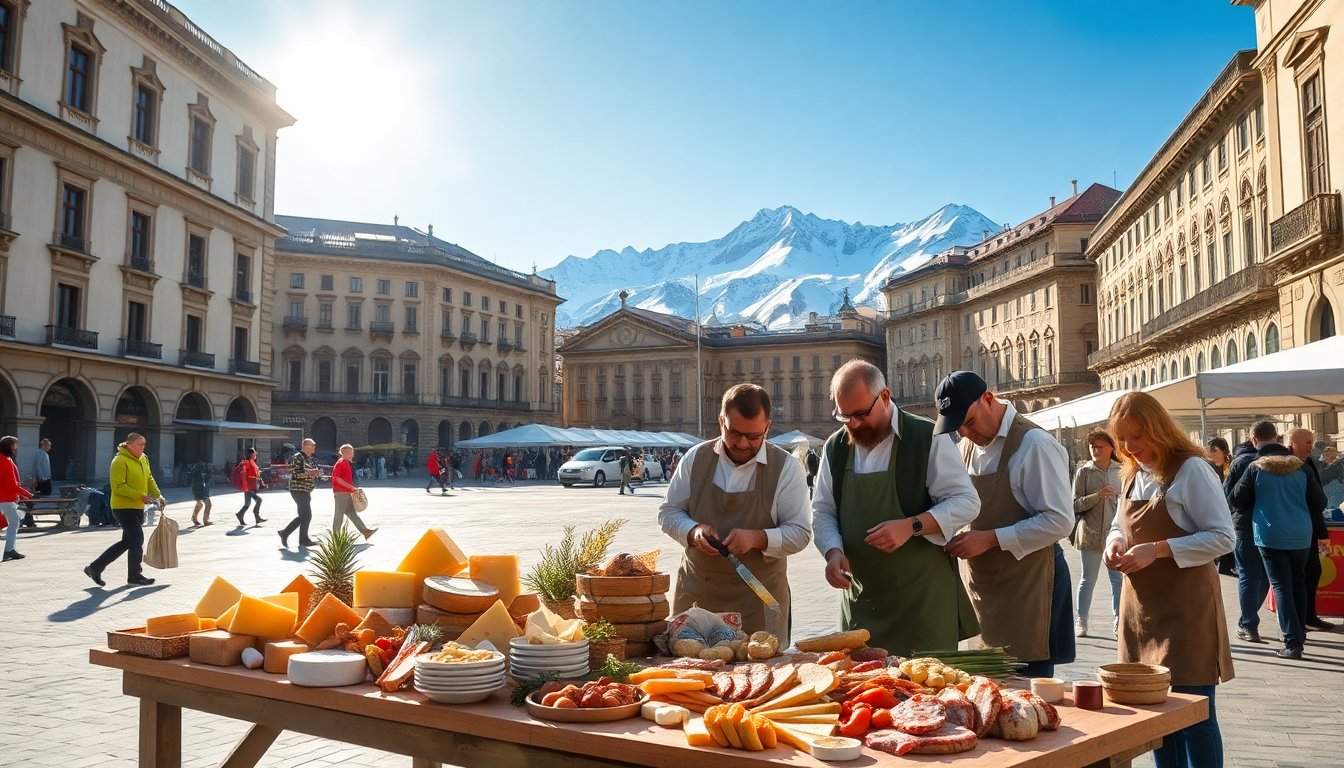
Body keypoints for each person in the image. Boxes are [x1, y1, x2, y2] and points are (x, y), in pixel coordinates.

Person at [812, 361, 980, 656]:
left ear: (886, 397)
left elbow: (967, 502)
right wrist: (832, 551)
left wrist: (911, 525)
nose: (853, 424)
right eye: (844, 416)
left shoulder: (928, 437)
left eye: (861, 414)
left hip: (921, 606)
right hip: (862, 605)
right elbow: (823, 510)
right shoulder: (835, 447)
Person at [1104, 391, 1234, 767]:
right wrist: (1116, 542)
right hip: (1141, 611)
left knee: (1195, 715)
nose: (1130, 446)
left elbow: (1224, 537)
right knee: (1156, 719)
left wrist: (1157, 549)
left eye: (1138, 436)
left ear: (1158, 430)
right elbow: (1118, 524)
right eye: (1123, 438)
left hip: (1186, 610)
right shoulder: (1131, 472)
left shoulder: (1191, 469)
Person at [935, 371, 1075, 679]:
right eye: (958, 427)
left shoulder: (1034, 444)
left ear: (988, 399)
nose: (966, 433)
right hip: (985, 586)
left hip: (1028, 586)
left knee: (1026, 690)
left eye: (969, 422)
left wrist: (989, 539)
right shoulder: (966, 449)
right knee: (987, 685)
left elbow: (1059, 521)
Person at [659, 383, 811, 644]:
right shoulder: (696, 458)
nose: (742, 444)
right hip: (697, 595)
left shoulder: (785, 468)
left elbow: (800, 534)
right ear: (721, 422)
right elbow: (668, 513)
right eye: (734, 433)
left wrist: (758, 538)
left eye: (753, 436)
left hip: (757, 603)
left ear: (767, 428)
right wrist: (693, 531)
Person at [1233, 427, 1326, 658]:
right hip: (1300, 535)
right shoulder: (1302, 468)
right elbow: (1320, 502)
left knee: (1282, 585)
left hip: (1269, 534)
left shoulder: (1256, 467)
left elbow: (1236, 498)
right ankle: (1299, 635)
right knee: (1298, 583)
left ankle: (1292, 643)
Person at [1224, 421, 1282, 643]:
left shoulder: (1241, 462)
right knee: (1266, 576)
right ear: (1275, 437)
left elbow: (1228, 495)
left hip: (1245, 525)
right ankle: (1247, 620)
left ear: (1253, 438)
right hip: (1271, 524)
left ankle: (1248, 623)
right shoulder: (1285, 462)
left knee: (1248, 575)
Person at [86, 433, 164, 587]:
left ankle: (95, 568)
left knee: (127, 541)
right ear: (129, 445)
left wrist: (158, 495)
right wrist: (140, 495)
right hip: (122, 507)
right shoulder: (119, 461)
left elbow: (149, 478)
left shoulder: (144, 458)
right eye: (139, 444)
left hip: (137, 507)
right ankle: (134, 575)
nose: (143, 447)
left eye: (144, 444)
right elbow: (118, 486)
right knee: (137, 539)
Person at [1071, 429, 1124, 638]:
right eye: (1092, 446)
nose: (1095, 450)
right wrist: (1097, 496)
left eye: (1100, 446)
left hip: (1115, 534)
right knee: (1087, 579)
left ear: (1111, 448)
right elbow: (1074, 505)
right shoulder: (1084, 471)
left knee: (1118, 580)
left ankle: (1119, 622)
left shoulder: (1121, 470)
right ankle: (1081, 620)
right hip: (1091, 533)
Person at [1288, 429, 1336, 632]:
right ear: (1293, 443)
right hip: (1295, 530)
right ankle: (1298, 620)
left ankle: (1308, 616)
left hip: (1308, 528)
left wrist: (1322, 534)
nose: (1311, 445)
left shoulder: (1307, 464)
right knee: (1295, 577)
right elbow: (1318, 501)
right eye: (1307, 442)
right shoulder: (1290, 466)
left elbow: (1317, 504)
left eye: (1312, 441)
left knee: (1312, 572)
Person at [280, 439, 322, 548]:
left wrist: (315, 472)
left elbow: (308, 472)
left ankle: (302, 539)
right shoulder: (297, 457)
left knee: (305, 515)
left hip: (305, 490)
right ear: (305, 446)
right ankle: (286, 533)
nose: (314, 448)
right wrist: (311, 472)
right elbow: (296, 473)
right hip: (298, 489)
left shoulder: (308, 458)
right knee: (306, 515)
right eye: (312, 446)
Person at [330, 443, 377, 540]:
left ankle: (365, 531)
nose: (353, 455)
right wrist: (352, 488)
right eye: (351, 453)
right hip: (341, 493)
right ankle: (336, 538)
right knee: (339, 515)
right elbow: (336, 479)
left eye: (352, 452)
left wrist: (351, 489)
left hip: (346, 492)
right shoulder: (341, 462)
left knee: (351, 513)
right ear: (344, 453)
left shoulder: (346, 462)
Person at [1205, 437, 1237, 576]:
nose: (1212, 454)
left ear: (1224, 451)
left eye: (1215, 450)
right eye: (1210, 451)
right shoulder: (1210, 467)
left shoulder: (1231, 465)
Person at [1, 436, 33, 561]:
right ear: (8, 446)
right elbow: (11, 484)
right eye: (14, 446)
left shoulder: (6, 459)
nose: (16, 449)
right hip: (5, 497)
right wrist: (27, 494)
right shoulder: (5, 460)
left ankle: (10, 549)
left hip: (5, 497)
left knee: (13, 522)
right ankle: (9, 550)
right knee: (14, 522)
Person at [23, 438, 53, 528]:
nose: (49, 447)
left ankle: (30, 514)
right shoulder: (40, 453)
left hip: (45, 478)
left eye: (49, 445)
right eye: (47, 445)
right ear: (43, 445)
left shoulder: (45, 454)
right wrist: (41, 477)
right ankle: (30, 515)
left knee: (44, 494)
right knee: (41, 494)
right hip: (42, 479)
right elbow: (38, 466)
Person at [235, 448, 267, 526]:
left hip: (251, 486)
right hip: (248, 487)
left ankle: (240, 515)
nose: (256, 454)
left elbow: (256, 474)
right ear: (251, 454)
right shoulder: (247, 463)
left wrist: (261, 482)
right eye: (255, 453)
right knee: (259, 500)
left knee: (247, 504)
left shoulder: (252, 462)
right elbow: (245, 475)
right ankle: (257, 517)